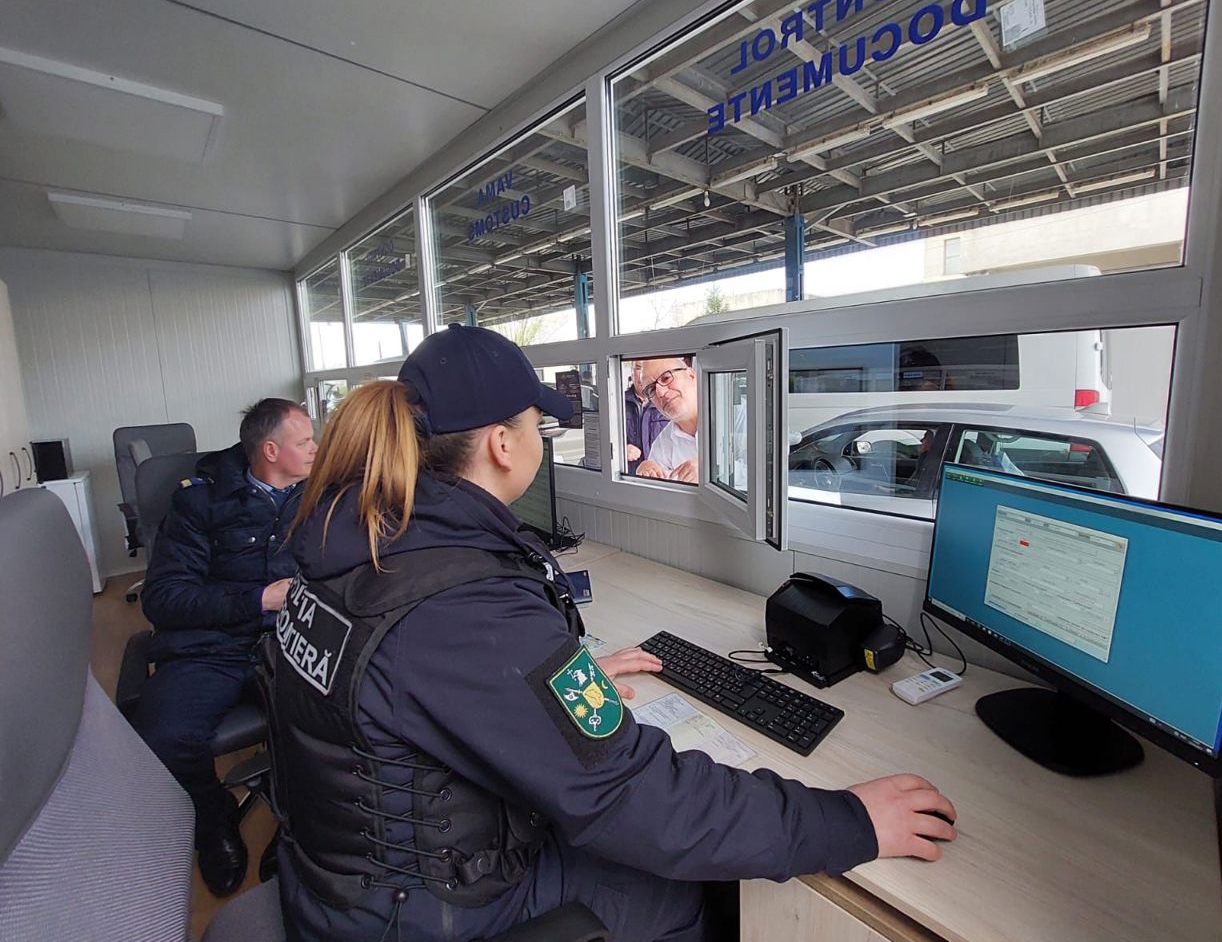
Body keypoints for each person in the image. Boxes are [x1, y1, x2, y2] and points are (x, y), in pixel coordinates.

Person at [268, 325, 956, 942]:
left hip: (348, 879)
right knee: (696, 892)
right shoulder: (460, 604)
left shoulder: (360, 543)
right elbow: (639, 798)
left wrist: (557, 690)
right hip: (421, 915)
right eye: (540, 425)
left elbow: (431, 694)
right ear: (503, 445)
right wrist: (849, 822)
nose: (544, 439)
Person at [132, 398, 316, 897]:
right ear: (271, 450)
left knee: (347, 714)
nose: (317, 450)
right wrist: (257, 598)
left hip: (293, 640)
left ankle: (297, 823)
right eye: (306, 443)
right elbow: (164, 599)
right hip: (211, 646)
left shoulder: (317, 496)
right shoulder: (199, 502)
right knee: (162, 735)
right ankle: (213, 820)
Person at [636, 356, 700, 482]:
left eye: (666, 378)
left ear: (691, 375)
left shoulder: (733, 416)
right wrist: (646, 472)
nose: (660, 392)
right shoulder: (662, 444)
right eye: (651, 389)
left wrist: (713, 471)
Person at [623, 359, 668, 475]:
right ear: (631, 372)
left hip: (661, 479)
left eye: (646, 368)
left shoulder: (667, 402)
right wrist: (620, 450)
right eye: (638, 368)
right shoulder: (617, 404)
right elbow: (601, 442)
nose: (643, 374)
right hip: (628, 478)